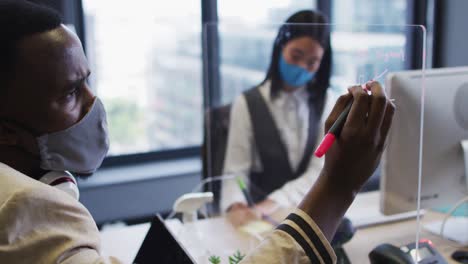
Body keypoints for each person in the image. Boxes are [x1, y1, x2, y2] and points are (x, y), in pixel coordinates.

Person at [0, 1, 395, 263]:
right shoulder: (30, 213)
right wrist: (340, 183)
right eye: (71, 91)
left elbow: (312, 170)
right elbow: (235, 176)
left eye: (89, 81)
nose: (93, 103)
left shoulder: (322, 99)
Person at [222, 10, 334, 213]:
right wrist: (236, 205)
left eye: (312, 62)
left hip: (307, 213)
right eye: (296, 55)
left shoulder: (326, 102)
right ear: (280, 48)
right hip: (257, 216)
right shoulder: (246, 103)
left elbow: (320, 170)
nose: (301, 67)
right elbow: (235, 172)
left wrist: (276, 202)